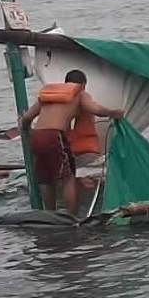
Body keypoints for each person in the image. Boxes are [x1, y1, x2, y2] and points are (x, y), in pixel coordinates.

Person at [19, 70, 124, 217]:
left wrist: (25, 128)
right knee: (68, 178)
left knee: (45, 178)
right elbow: (96, 109)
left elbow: (26, 118)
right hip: (54, 135)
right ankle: (72, 216)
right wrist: (113, 112)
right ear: (82, 85)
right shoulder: (79, 94)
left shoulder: (49, 95)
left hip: (37, 136)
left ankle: (49, 215)